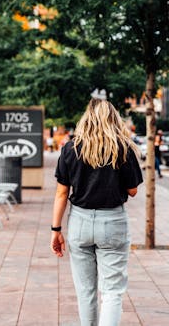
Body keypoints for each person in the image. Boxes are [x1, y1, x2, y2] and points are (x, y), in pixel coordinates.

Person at [51, 98, 143, 326]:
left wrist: (56, 229)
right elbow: (132, 191)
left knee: (85, 291)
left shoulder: (70, 149)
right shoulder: (122, 148)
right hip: (112, 222)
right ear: (114, 119)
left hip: (79, 223)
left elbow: (61, 194)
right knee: (112, 291)